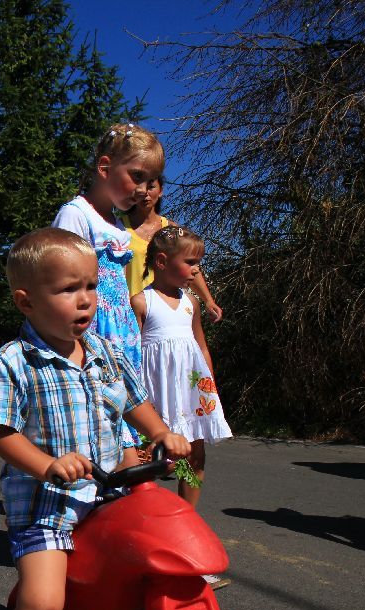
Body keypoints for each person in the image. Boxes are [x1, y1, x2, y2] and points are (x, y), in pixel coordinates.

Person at [0, 228, 191, 610]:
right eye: (68, 289)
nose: (85, 300)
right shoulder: (15, 360)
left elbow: (135, 403)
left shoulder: (105, 350)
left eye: (91, 286)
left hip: (110, 493)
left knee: (138, 570)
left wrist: (160, 433)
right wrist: (47, 465)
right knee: (41, 607)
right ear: (27, 302)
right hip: (48, 505)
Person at [52, 123, 164, 448]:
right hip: (94, 330)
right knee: (97, 417)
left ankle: (122, 481)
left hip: (121, 330)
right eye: (137, 176)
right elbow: (64, 281)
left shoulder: (115, 225)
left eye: (150, 181)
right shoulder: (76, 215)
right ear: (105, 168)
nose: (144, 189)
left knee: (121, 409)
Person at [131, 226, 232, 505]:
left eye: (198, 262)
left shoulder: (191, 303)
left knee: (194, 455)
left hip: (190, 393)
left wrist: (209, 384)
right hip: (156, 392)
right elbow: (133, 355)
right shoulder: (141, 302)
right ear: (162, 262)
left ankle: (188, 516)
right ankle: (142, 516)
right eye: (190, 262)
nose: (196, 270)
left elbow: (200, 345)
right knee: (151, 458)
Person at [121, 176, 224, 322]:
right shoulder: (118, 228)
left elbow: (189, 265)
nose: (145, 193)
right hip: (131, 313)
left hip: (167, 310)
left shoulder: (173, 231)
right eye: (139, 187)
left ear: (161, 191)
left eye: (151, 187)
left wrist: (208, 300)